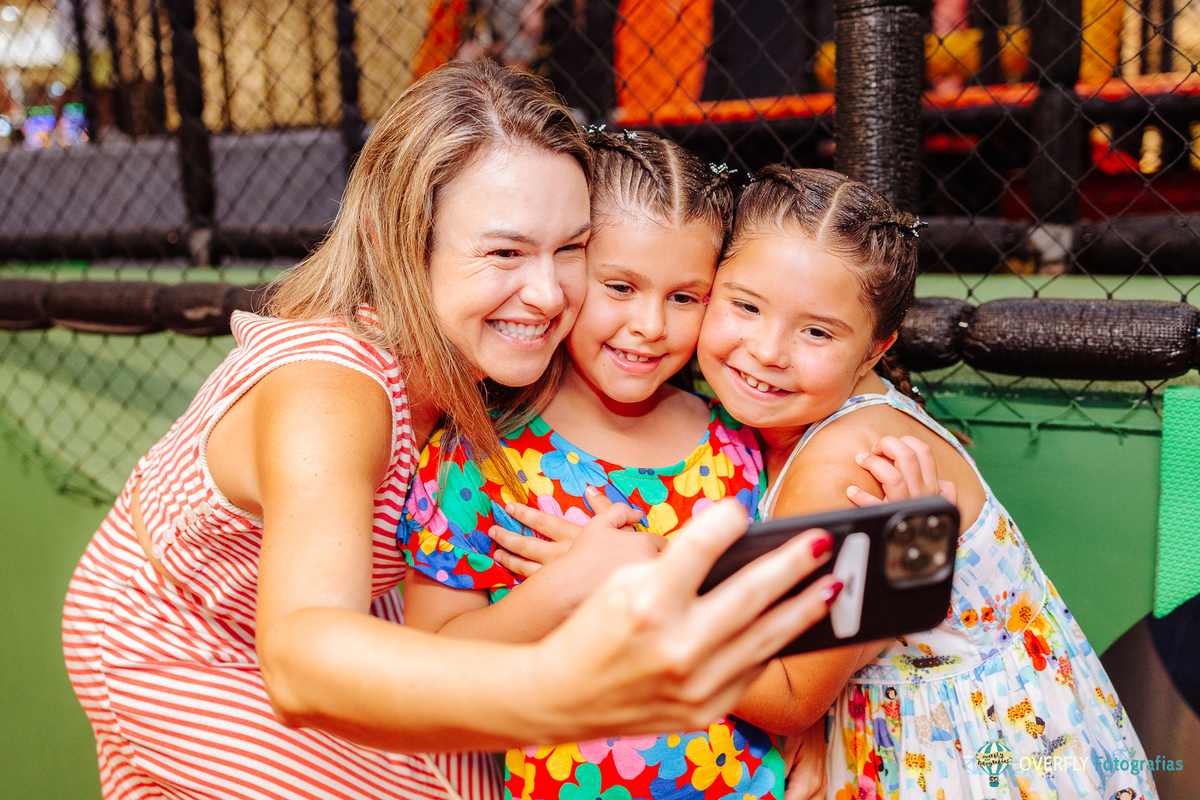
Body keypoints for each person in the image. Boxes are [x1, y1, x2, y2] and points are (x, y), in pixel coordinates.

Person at [60, 63, 840, 800]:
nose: (544, 293)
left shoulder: (499, 366)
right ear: (407, 245)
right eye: (504, 251)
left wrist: (774, 716)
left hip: (351, 619)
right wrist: (567, 686)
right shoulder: (330, 388)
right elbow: (299, 657)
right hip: (186, 641)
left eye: (570, 249)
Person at [400, 129, 848, 800]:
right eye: (620, 286)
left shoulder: (744, 446)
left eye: (684, 297)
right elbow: (428, 670)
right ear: (570, 270)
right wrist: (571, 586)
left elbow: (789, 658)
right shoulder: (482, 457)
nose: (649, 325)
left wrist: (804, 725)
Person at [693, 165, 1158, 798]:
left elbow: (791, 697)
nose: (770, 350)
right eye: (746, 305)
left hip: (970, 755)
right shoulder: (815, 420)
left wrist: (626, 590)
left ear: (875, 349)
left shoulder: (845, 463)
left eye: (817, 331)